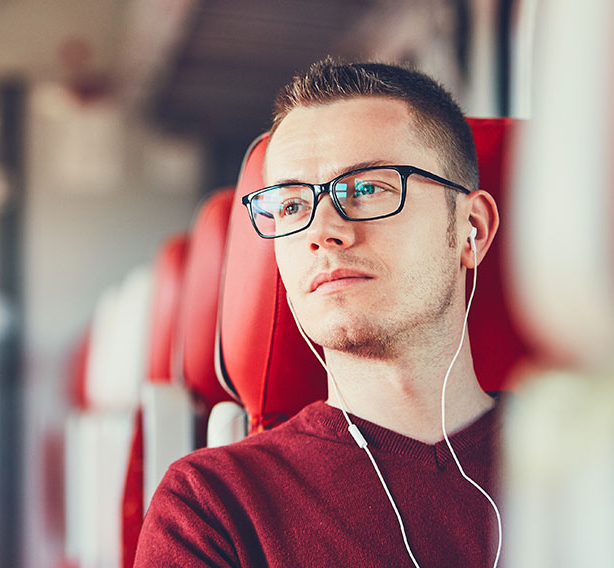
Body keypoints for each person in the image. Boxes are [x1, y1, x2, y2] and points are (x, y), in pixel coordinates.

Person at [134, 59, 503, 567]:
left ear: (472, 229)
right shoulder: (214, 506)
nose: (321, 231)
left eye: (368, 188)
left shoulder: (599, 465)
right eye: (289, 206)